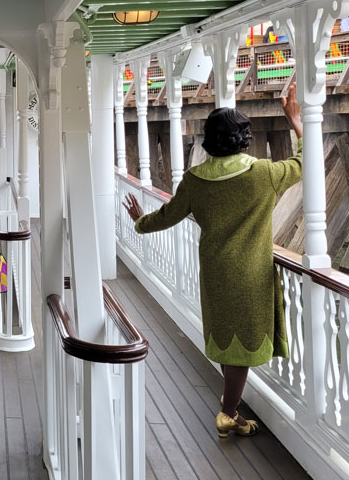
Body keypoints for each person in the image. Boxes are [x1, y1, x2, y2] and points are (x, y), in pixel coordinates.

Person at [122, 84, 303, 439]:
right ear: (243, 139)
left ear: (210, 141)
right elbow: (304, 163)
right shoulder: (264, 174)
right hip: (251, 274)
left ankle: (231, 410)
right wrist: (296, 122)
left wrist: (140, 220)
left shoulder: (195, 180)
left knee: (226, 339)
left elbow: (167, 216)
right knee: (242, 347)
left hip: (215, 273)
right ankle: (228, 412)